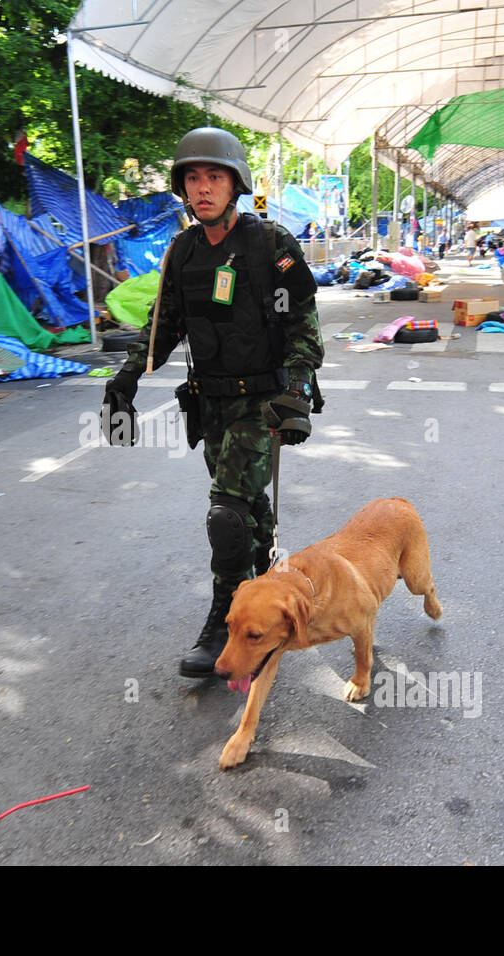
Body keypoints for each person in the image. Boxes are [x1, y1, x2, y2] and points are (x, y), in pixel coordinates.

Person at [102, 127, 324, 679]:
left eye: (214, 177)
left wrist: (295, 391)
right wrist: (124, 380)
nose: (203, 188)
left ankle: (223, 618)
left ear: (235, 183)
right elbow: (163, 326)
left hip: (262, 402)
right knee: (248, 509)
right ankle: (270, 586)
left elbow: (304, 325)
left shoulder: (271, 245)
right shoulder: (182, 251)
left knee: (226, 512)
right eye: (193, 178)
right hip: (211, 405)